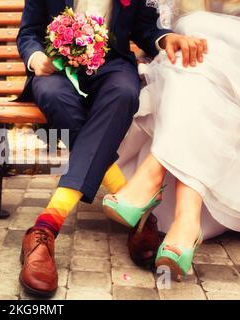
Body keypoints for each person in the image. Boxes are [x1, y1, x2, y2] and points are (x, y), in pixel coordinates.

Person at [16, 0, 206, 296]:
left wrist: (166, 38)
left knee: (124, 92)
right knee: (53, 96)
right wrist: (36, 57)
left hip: (112, 64)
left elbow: (144, 28)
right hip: (56, 69)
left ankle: (46, 226)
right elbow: (28, 32)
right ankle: (138, 216)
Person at [103, 0, 240, 281]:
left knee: (195, 42)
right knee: (189, 54)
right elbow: (150, 28)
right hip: (186, 65)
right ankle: (187, 223)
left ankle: (152, 175)